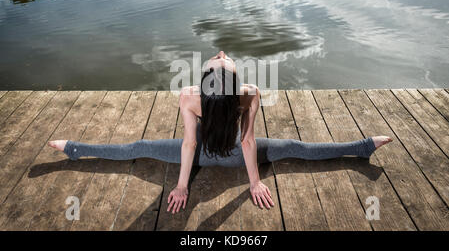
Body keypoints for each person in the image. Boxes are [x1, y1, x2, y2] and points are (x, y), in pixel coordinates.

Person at [49, 51, 392, 214]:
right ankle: (362, 148)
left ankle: (74, 149)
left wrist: (183, 184)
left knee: (139, 146)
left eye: (219, 60)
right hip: (235, 156)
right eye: (222, 60)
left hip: (202, 154)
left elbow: (189, 143)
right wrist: (253, 181)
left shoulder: (189, 96)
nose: (222, 53)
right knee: (294, 146)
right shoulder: (250, 93)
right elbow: (247, 141)